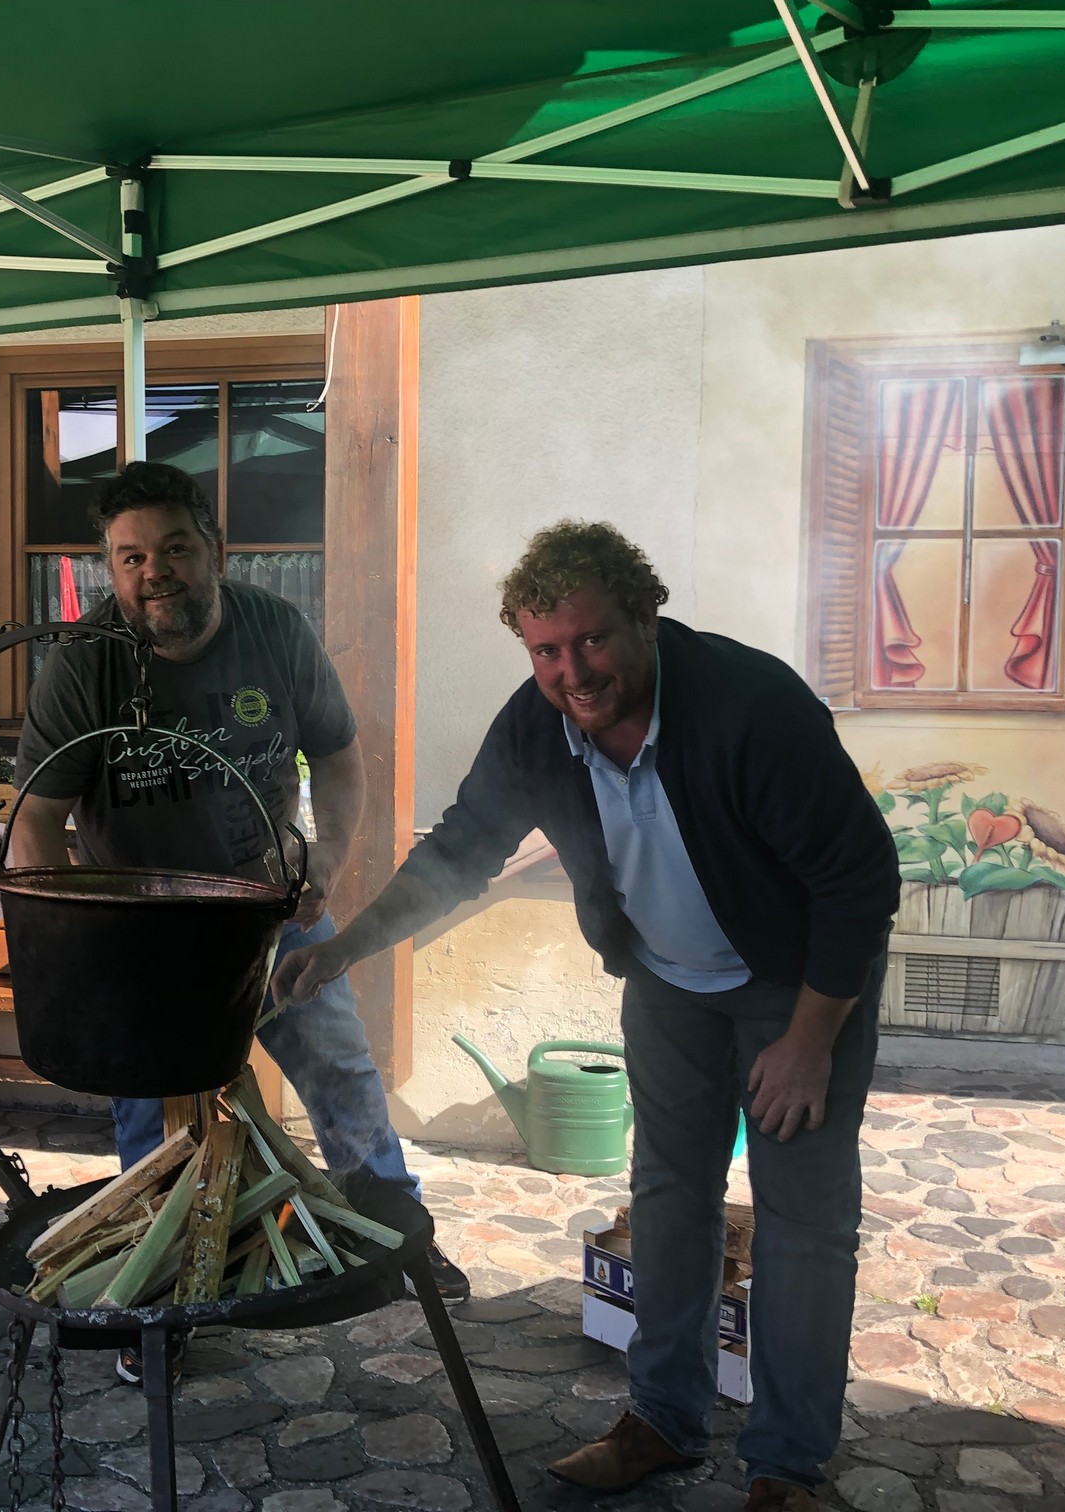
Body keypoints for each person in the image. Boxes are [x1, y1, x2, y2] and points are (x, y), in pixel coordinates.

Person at [272, 521, 899, 1512]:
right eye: (546, 650)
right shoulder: (537, 726)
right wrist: (346, 946)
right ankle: (664, 1419)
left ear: (645, 617)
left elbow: (860, 880)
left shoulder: (751, 707)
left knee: (803, 1225)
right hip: (668, 986)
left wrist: (810, 1042)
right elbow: (459, 853)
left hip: (797, 986)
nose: (572, 672)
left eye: (592, 639)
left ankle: (785, 1467)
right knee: (668, 1199)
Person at [11, 460, 471, 1383]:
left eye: (175, 548)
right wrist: (80, 940)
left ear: (215, 551)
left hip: (270, 910)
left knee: (340, 1069)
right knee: (155, 1116)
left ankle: (392, 1231)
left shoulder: (274, 631)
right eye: (131, 557)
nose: (155, 573)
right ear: (111, 567)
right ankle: (159, 1297)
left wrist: (325, 861)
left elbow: (338, 757)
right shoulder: (85, 662)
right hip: (143, 937)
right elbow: (36, 820)